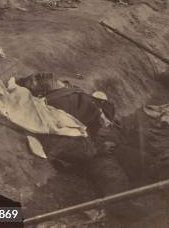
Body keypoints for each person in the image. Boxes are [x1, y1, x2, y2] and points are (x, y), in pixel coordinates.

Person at [16, 73, 145, 219]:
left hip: (110, 138)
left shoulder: (69, 89)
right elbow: (64, 141)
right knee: (114, 178)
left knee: (143, 162)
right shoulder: (54, 105)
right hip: (93, 148)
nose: (41, 76)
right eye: (36, 80)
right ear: (41, 91)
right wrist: (98, 148)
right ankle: (123, 207)